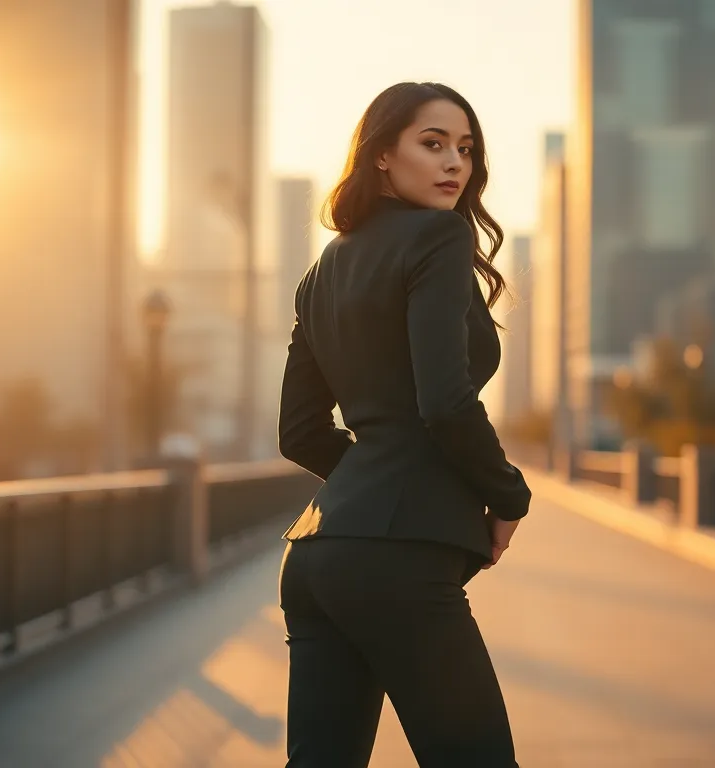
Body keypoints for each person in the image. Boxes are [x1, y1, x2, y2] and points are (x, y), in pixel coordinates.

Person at [276, 81, 531, 767]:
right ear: (382, 155)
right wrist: (508, 495)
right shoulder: (439, 237)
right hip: (397, 565)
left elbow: (298, 432)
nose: (455, 163)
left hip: (316, 557)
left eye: (466, 149)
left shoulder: (322, 269)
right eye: (433, 143)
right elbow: (444, 402)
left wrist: (373, 484)